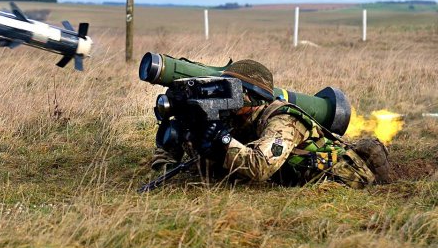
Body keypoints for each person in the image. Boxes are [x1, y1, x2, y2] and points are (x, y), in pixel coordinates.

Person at [151, 59, 391, 188]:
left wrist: (221, 140)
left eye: (233, 91)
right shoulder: (239, 117)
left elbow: (259, 167)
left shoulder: (283, 120)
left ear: (253, 97)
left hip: (342, 179)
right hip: (288, 176)